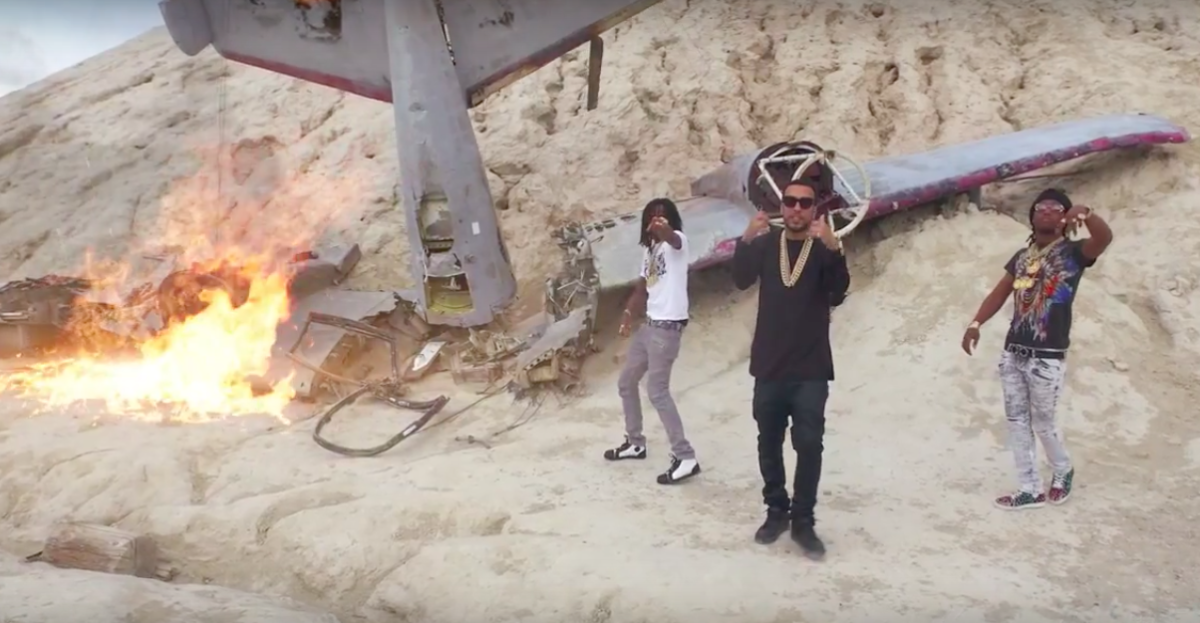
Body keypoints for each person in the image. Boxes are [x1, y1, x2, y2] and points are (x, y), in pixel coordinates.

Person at [962, 188, 1113, 510]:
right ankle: (1029, 488)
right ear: (1031, 217)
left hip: (1048, 355)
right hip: (1013, 352)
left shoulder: (1075, 253)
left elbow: (1105, 238)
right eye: (1040, 207)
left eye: (1056, 207)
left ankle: (1063, 469)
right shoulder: (1022, 257)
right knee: (1016, 420)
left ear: (1065, 218)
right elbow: (999, 293)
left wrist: (1087, 213)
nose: (1046, 211)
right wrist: (975, 323)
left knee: (1044, 423)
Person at [732, 180, 850, 560]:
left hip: (811, 368)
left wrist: (833, 248)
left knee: (809, 444)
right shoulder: (767, 244)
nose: (797, 208)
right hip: (769, 364)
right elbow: (740, 279)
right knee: (768, 441)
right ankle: (776, 511)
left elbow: (838, 292)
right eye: (790, 201)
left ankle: (803, 520)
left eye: (805, 203)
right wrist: (746, 239)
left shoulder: (823, 248)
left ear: (815, 209)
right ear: (782, 206)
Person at [604, 198, 701, 485]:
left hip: (667, 329)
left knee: (657, 391)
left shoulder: (677, 243)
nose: (657, 220)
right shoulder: (649, 251)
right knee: (626, 382)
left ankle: (685, 457)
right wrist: (627, 315)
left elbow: (673, 238)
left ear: (671, 220)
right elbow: (641, 288)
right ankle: (635, 443)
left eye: (663, 216)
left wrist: (665, 230)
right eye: (653, 216)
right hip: (649, 326)